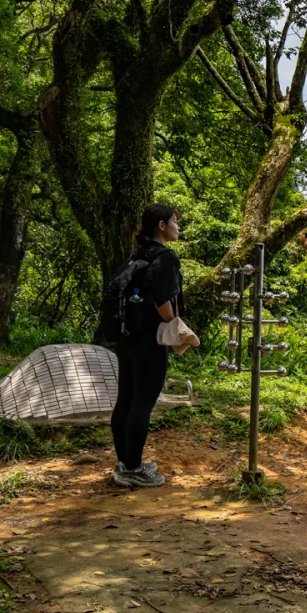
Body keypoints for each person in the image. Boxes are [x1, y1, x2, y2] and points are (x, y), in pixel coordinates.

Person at [110, 203, 183, 488]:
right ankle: (133, 469)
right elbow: (162, 300)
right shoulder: (165, 257)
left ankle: (124, 462)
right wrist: (176, 326)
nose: (178, 226)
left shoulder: (137, 254)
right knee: (142, 404)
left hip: (126, 336)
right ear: (162, 226)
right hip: (151, 339)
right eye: (174, 221)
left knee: (126, 400)